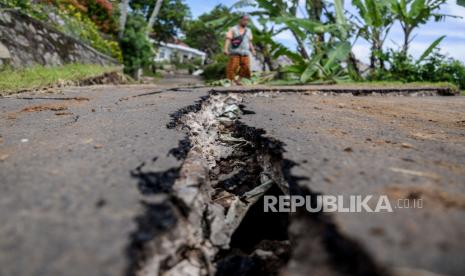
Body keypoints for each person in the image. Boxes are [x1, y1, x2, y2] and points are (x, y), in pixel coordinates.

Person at [224, 14, 256, 85]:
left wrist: (253, 50)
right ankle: (232, 81)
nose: (246, 22)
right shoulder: (233, 29)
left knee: (246, 67)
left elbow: (250, 42)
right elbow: (228, 39)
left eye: (247, 20)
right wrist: (225, 49)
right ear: (240, 20)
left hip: (245, 52)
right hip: (235, 51)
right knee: (233, 67)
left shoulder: (249, 30)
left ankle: (238, 80)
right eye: (244, 20)